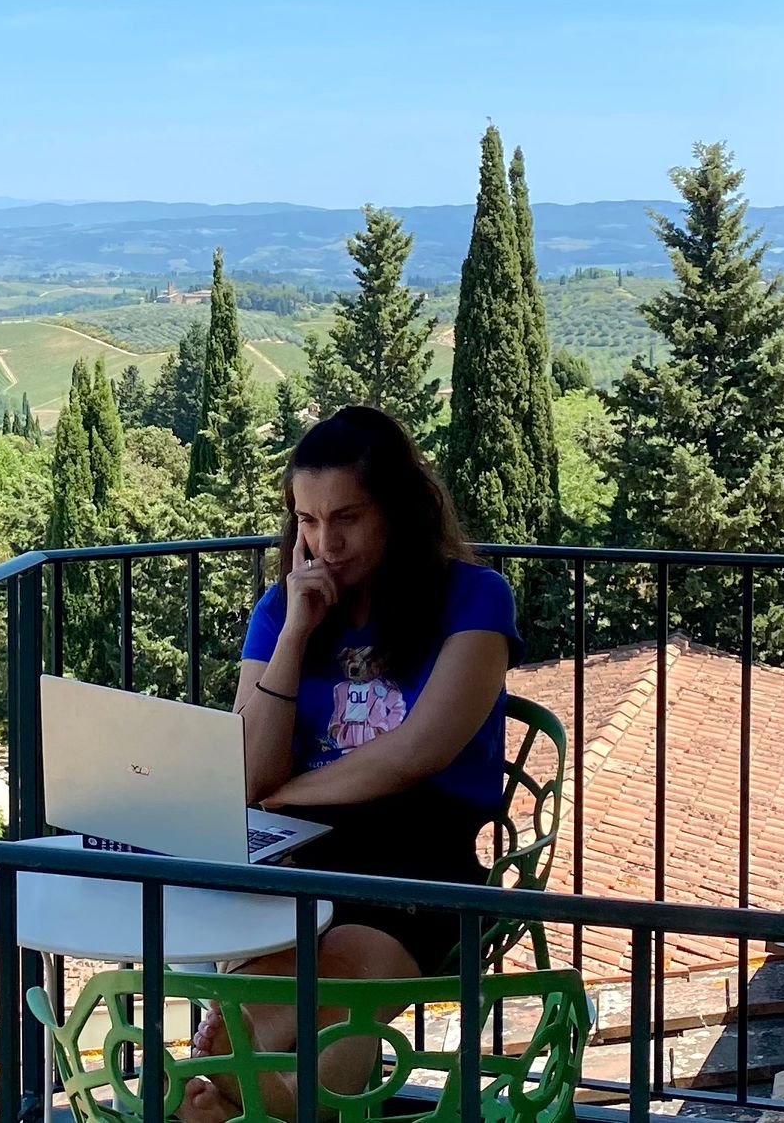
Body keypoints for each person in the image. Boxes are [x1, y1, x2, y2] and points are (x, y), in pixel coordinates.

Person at [179, 405, 522, 1123]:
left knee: (239, 1043)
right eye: (306, 520)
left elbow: (415, 753)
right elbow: (247, 769)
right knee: (235, 1036)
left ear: (398, 509)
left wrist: (281, 794)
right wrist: (298, 629)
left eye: (347, 518)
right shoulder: (283, 608)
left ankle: (218, 1107)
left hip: (414, 865)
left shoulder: (474, 599)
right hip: (296, 854)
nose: (324, 542)